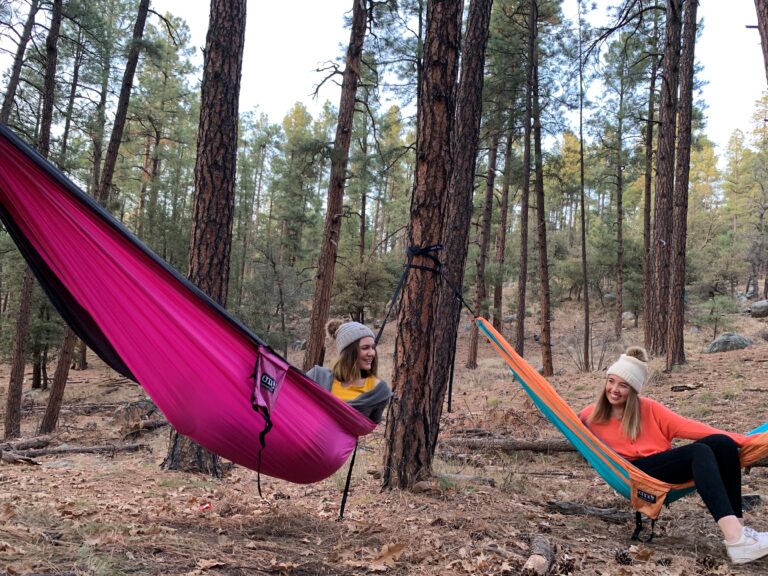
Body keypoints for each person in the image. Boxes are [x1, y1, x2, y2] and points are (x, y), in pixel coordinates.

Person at [579, 346, 768, 565]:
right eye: (611, 381)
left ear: (633, 390)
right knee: (699, 452)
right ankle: (736, 539)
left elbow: (688, 427)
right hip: (633, 474)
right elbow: (567, 424)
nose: (614, 389)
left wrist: (744, 440)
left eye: (623, 385)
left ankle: (740, 532)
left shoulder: (649, 408)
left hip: (663, 469)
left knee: (722, 444)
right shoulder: (590, 416)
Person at [306, 320, 391, 423]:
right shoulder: (317, 377)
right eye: (365, 348)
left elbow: (372, 422)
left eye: (373, 347)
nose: (372, 353)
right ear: (348, 352)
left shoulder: (378, 391)